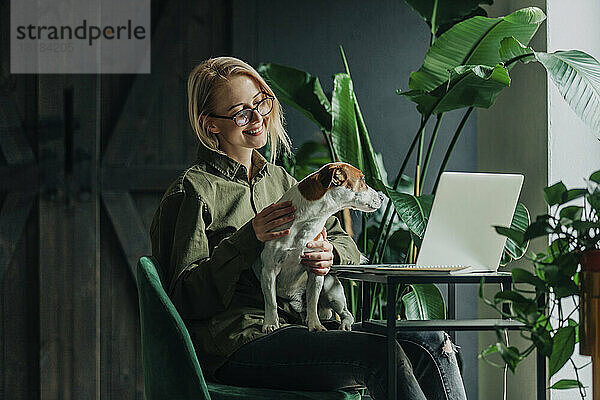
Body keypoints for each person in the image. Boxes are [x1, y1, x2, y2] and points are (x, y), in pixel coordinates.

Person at [150, 56, 467, 400]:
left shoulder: (283, 181)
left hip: (305, 326)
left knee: (433, 342)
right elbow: (182, 298)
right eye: (241, 112)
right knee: (380, 356)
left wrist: (330, 253)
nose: (258, 119)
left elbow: (344, 243)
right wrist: (248, 238)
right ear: (211, 124)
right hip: (240, 343)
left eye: (261, 102)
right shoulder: (192, 192)